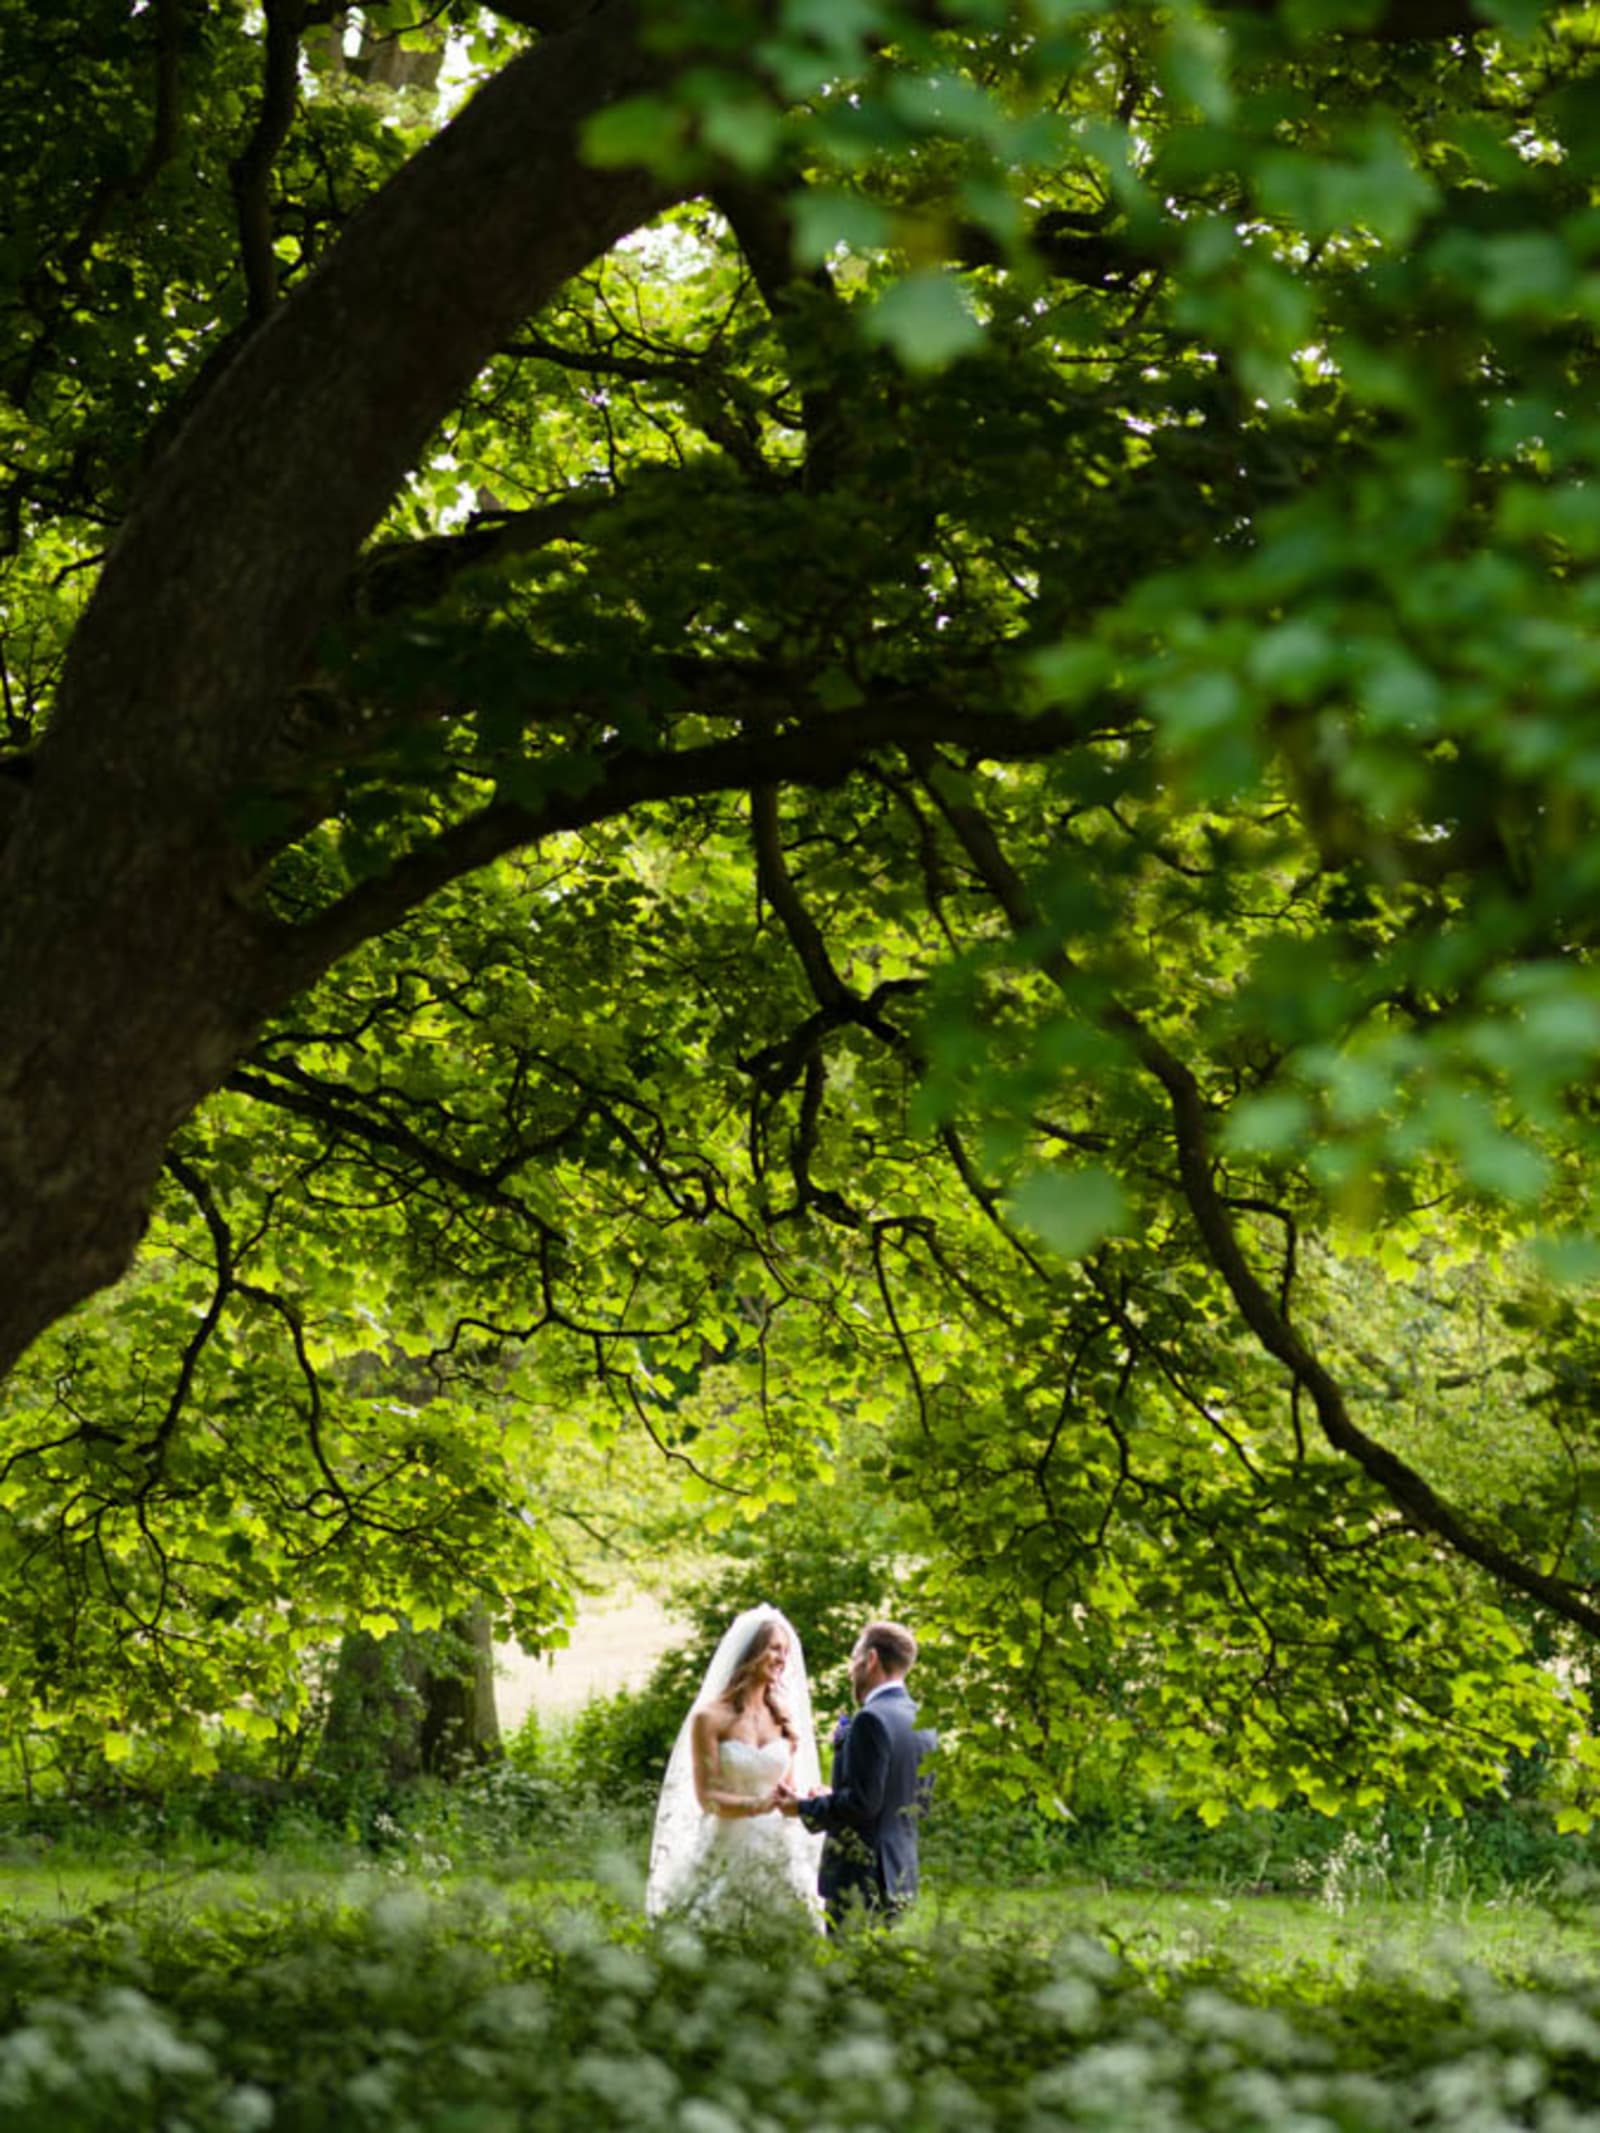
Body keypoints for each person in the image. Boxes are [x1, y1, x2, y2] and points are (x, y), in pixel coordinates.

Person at [645, 1604, 824, 1927]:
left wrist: (808, 1797)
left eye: (786, 1650)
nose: (783, 1658)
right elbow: (708, 1797)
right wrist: (757, 1805)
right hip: (727, 1840)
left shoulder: (783, 1717)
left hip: (779, 1846)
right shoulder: (711, 1718)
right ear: (751, 1652)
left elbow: (788, 1788)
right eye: (774, 1648)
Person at [778, 1618, 932, 1929]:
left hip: (861, 1879)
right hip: (899, 1874)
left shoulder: (870, 1720)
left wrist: (802, 1807)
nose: (851, 1669)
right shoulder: (922, 1719)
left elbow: (863, 1805)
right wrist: (835, 1797)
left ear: (871, 1659)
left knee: (847, 1972)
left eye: (854, 1658)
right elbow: (911, 1802)